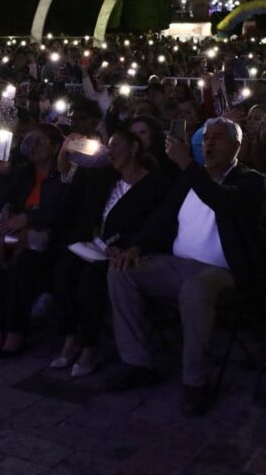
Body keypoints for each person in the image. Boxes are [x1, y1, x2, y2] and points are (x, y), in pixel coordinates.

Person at [106, 117, 266, 417]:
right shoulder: (191, 178)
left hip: (222, 273)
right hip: (177, 265)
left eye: (218, 138)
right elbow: (162, 218)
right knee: (121, 271)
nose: (209, 143)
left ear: (236, 146)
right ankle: (137, 363)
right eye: (205, 138)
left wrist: (187, 166)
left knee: (196, 290)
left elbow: (221, 201)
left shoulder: (250, 181)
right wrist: (136, 247)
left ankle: (195, 381)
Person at [51, 129, 167, 378]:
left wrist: (128, 246)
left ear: (133, 149)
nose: (110, 151)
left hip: (124, 252)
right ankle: (71, 337)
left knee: (90, 282)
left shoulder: (153, 185)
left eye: (116, 146)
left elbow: (154, 225)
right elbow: (74, 192)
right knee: (63, 271)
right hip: (94, 245)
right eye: (109, 146)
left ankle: (90, 346)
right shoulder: (105, 177)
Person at [0, 123, 66, 356]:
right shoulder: (23, 172)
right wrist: (2, 174)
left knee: (24, 265)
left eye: (39, 141)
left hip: (46, 238)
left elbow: (60, 210)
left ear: (55, 147)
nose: (33, 147)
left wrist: (29, 217)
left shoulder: (63, 175)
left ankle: (16, 330)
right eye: (30, 141)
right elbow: (2, 203)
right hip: (18, 237)